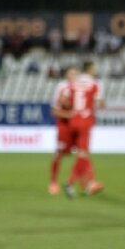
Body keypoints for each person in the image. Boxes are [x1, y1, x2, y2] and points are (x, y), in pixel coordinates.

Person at [63, 60, 106, 198]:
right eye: (94, 68)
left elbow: (64, 100)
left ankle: (90, 183)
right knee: (82, 154)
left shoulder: (74, 82)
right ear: (90, 69)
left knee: (83, 154)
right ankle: (70, 183)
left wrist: (74, 107)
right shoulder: (95, 84)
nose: (95, 70)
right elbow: (100, 103)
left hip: (73, 119)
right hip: (85, 120)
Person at [48, 65, 77, 195]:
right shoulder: (61, 87)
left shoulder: (80, 88)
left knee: (81, 154)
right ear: (66, 75)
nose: (74, 76)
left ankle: (82, 183)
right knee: (59, 153)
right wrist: (70, 115)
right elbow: (54, 110)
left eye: (76, 74)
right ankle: (53, 182)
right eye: (71, 74)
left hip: (77, 126)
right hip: (64, 125)